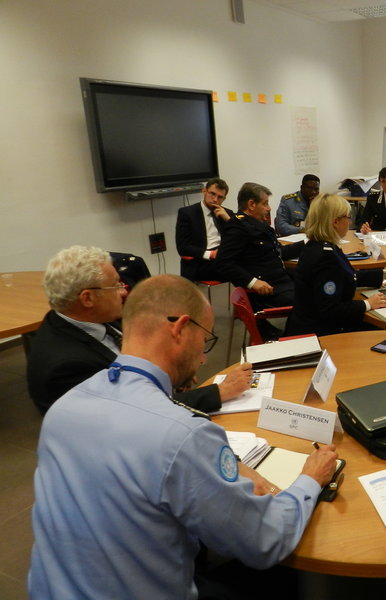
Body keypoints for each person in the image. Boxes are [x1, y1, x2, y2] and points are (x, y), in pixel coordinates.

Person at [28, 274, 338, 599]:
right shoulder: (182, 434)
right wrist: (311, 479)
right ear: (180, 328)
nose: (203, 358)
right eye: (205, 341)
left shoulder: (65, 407)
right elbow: (267, 540)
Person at [27, 245, 251, 415]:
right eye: (115, 285)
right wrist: (218, 392)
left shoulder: (98, 318)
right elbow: (138, 413)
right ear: (87, 298)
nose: (124, 292)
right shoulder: (64, 366)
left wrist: (175, 369)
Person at [286, 193, 386, 336]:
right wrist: (367, 304)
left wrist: (384, 273)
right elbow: (330, 310)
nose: (349, 222)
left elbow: (344, 276)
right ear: (335, 222)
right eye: (347, 217)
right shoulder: (326, 257)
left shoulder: (315, 246)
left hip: (307, 323)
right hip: (320, 334)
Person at [216, 182, 304, 313]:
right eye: (265, 203)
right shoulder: (237, 228)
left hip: (282, 280)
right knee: (312, 299)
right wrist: (253, 282)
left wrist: (306, 244)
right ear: (251, 205)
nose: (269, 208)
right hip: (268, 290)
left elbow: (278, 252)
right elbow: (223, 263)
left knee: (317, 285)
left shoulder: (260, 225)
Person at [175, 177, 235, 281]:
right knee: (235, 269)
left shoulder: (227, 213)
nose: (215, 199)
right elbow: (183, 247)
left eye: (220, 197)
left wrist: (229, 220)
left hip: (223, 258)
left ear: (224, 199)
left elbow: (239, 239)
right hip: (201, 260)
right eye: (212, 194)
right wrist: (211, 254)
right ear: (204, 191)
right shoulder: (187, 213)